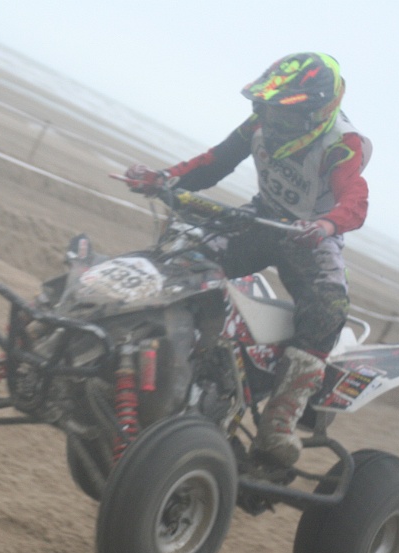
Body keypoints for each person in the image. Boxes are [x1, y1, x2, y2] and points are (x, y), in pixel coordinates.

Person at [124, 52, 372, 469]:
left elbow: (356, 202)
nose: (272, 120)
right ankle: (171, 354)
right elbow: (214, 161)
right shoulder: (260, 122)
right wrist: (162, 178)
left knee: (330, 307)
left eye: (284, 113)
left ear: (316, 112)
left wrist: (328, 226)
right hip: (261, 216)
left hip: (309, 236)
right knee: (187, 256)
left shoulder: (341, 144)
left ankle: (280, 422)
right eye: (267, 108)